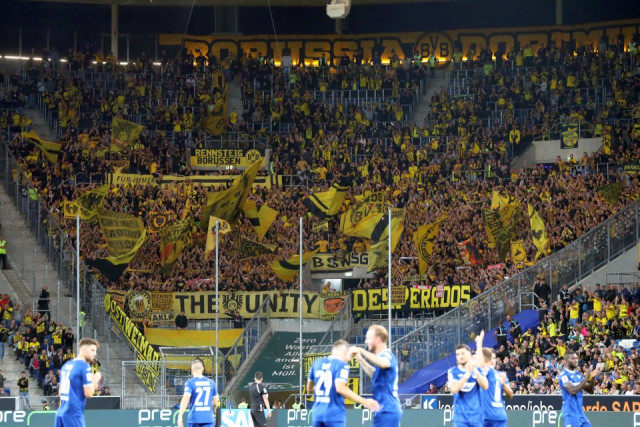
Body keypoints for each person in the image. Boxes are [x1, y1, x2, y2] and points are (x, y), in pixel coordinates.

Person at [306, 340, 379, 427]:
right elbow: (340, 388)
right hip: (334, 413)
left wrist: (324, 389)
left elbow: (309, 388)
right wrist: (365, 401)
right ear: (344, 352)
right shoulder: (341, 365)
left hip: (317, 413)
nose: (348, 359)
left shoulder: (317, 363)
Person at [351, 325, 402, 427]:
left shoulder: (386, 355)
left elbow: (384, 363)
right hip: (384, 410)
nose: (366, 341)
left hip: (387, 410)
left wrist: (361, 350)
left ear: (378, 339)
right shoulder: (382, 356)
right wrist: (360, 359)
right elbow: (375, 374)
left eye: (368, 338)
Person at [55, 338, 102, 427]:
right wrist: (95, 379)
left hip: (61, 413)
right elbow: (88, 394)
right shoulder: (84, 366)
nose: (95, 353)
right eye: (92, 350)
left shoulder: (66, 365)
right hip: (73, 413)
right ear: (84, 350)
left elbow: (60, 392)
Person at [447, 331, 489, 427]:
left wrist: (474, 370)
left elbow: (485, 385)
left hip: (477, 417)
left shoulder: (477, 370)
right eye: (458, 354)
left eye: (463, 353)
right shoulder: (452, 371)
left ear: (470, 354)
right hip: (460, 419)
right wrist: (467, 373)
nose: (460, 356)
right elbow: (454, 389)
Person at [558, 350, 598, 427]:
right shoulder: (564, 375)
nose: (576, 360)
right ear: (565, 361)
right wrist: (586, 377)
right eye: (573, 358)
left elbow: (590, 390)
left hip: (580, 413)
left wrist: (592, 377)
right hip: (570, 412)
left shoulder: (578, 375)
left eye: (576, 358)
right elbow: (573, 391)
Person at [177, 358, 219, 427]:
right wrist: (213, 411)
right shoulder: (211, 383)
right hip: (208, 419)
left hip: (194, 419)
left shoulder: (190, 383)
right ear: (203, 369)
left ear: (192, 369)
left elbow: (186, 398)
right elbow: (215, 402)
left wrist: (180, 415)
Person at [480, 348, 513, 427]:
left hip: (499, 415)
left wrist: (503, 384)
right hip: (485, 416)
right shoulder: (482, 373)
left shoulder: (501, 375)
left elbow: (510, 395)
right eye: (490, 358)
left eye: (494, 358)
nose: (492, 361)